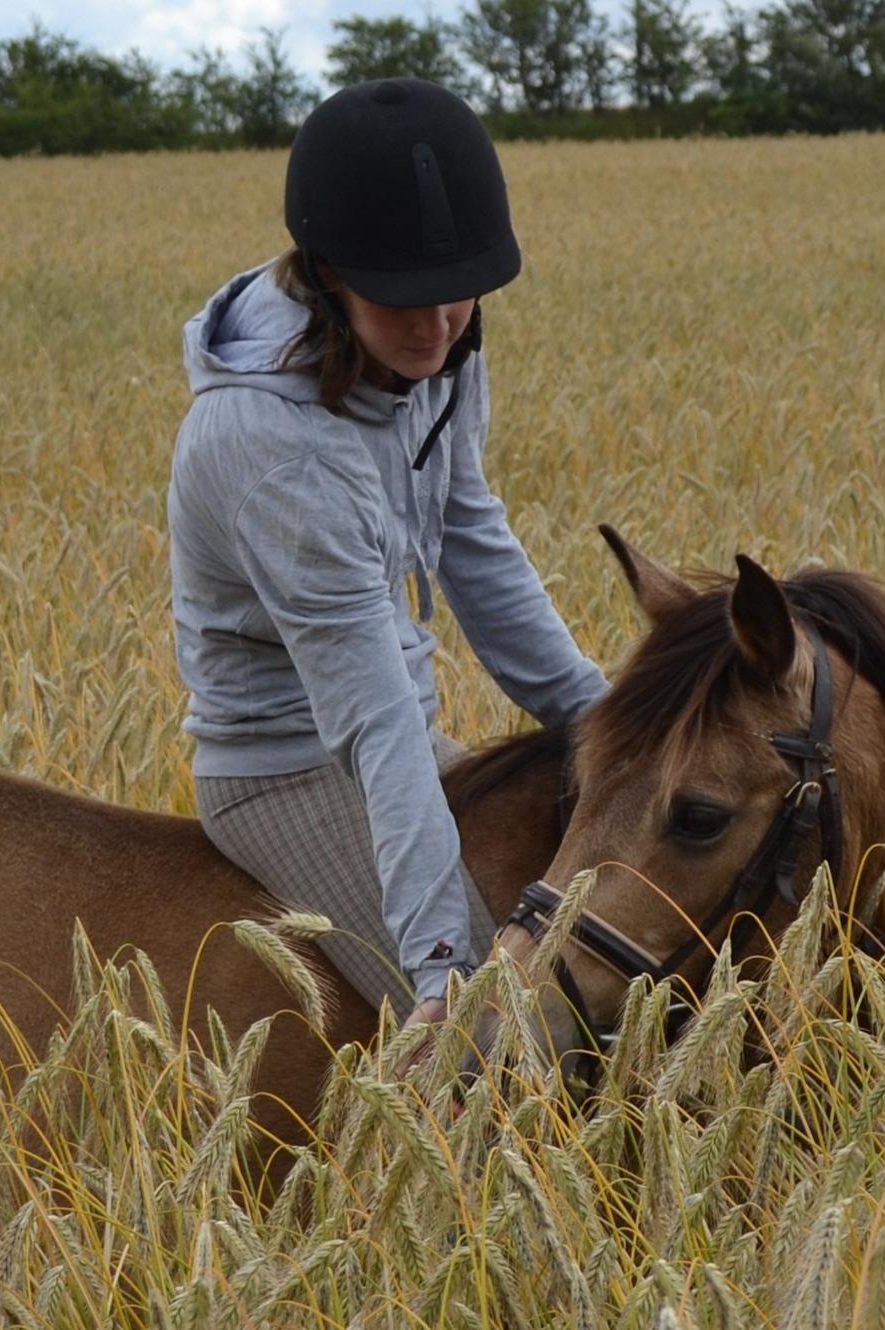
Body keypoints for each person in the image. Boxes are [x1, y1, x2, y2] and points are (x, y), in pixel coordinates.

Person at [168, 79, 607, 1030]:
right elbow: (371, 716)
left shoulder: (441, 351)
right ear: (325, 273)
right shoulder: (265, 449)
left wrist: (603, 721)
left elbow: (469, 533)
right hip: (283, 766)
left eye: (458, 295)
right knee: (508, 1027)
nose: (435, 324)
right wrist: (443, 966)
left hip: (404, 724)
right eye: (401, 299)